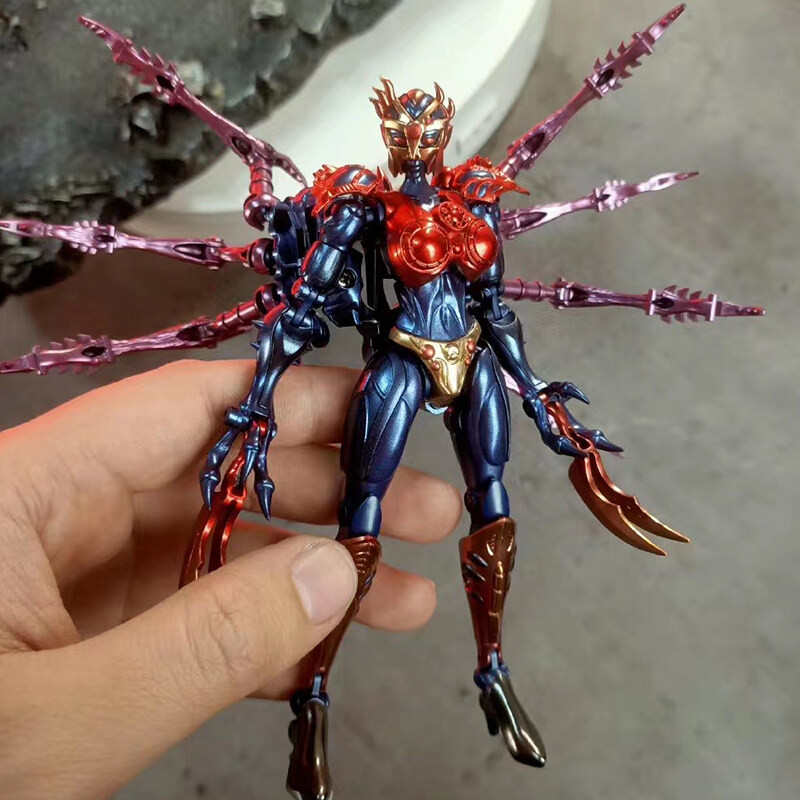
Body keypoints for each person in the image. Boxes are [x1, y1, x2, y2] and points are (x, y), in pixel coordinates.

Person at [0, 359, 462, 800]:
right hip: (389, 372)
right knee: (359, 516)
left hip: (444, 358)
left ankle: (484, 664)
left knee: (452, 501)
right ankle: (315, 691)